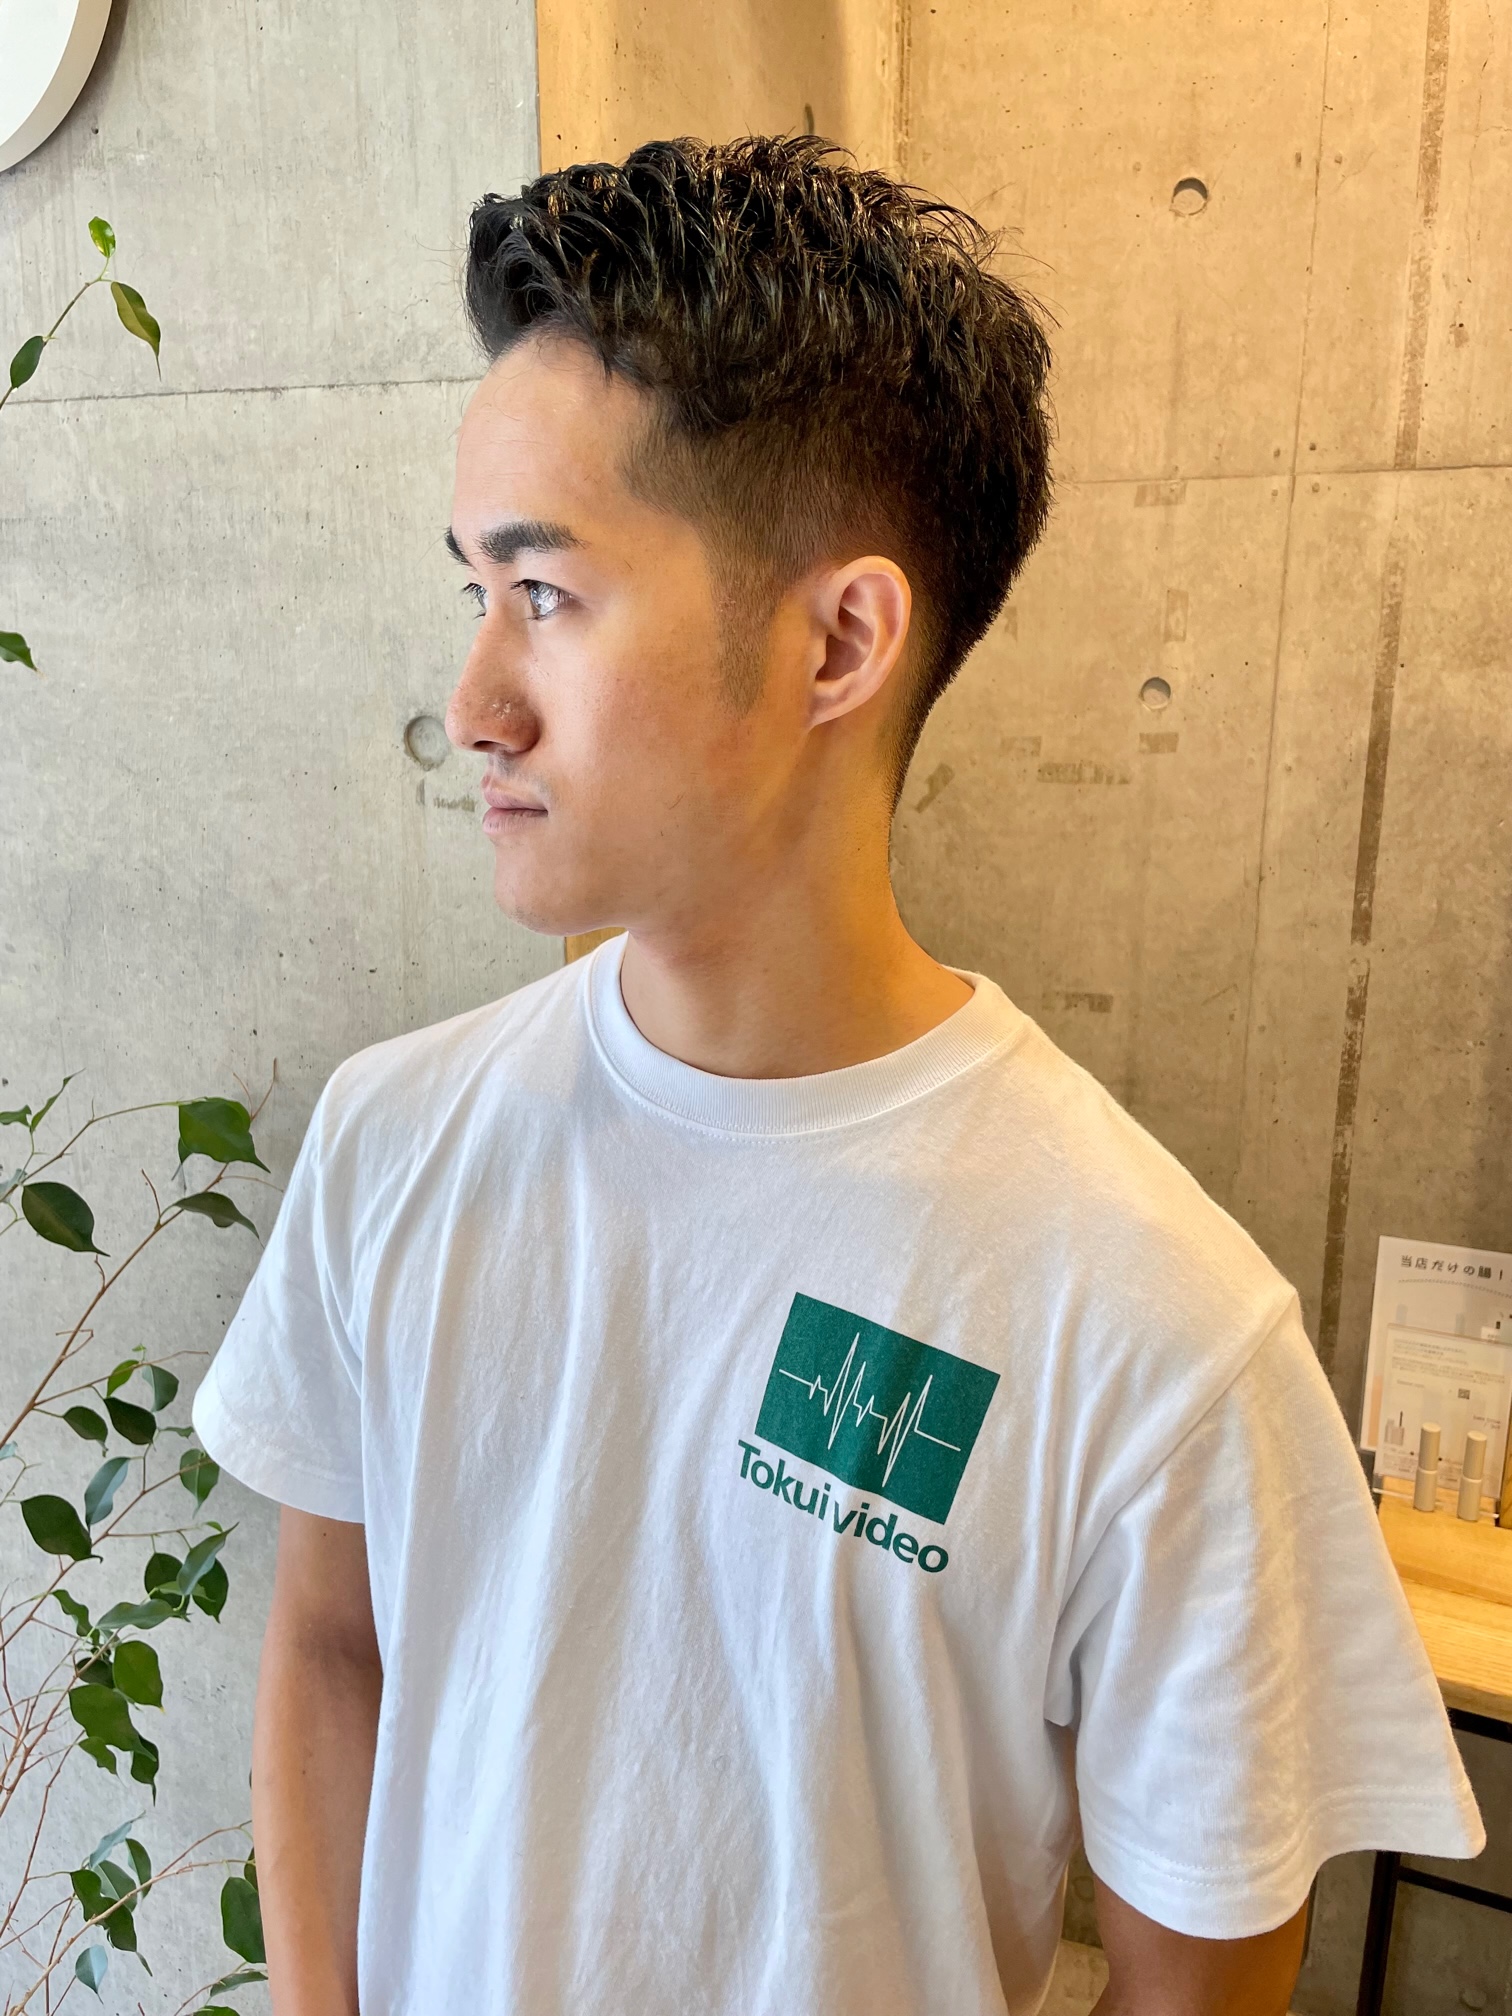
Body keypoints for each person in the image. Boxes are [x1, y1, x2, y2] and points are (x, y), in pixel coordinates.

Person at [192, 135, 1482, 2016]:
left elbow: (1194, 1982)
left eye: (545, 595)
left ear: (840, 641)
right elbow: (332, 1651)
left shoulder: (1155, 1328)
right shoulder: (395, 1138)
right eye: (475, 589)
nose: (471, 704)